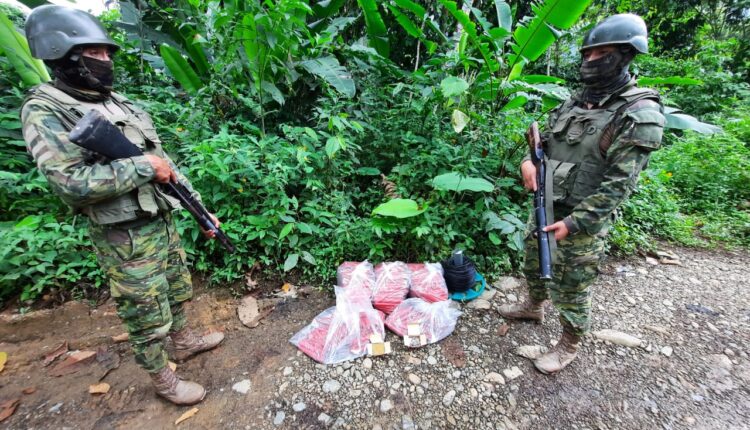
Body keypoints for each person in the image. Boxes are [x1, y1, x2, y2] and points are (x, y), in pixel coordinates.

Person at [21, 5, 224, 405]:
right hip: (123, 233)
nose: (106, 60)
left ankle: (183, 341)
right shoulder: (46, 108)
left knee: (176, 286)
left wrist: (199, 209)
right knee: (143, 308)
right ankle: (162, 378)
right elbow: (70, 183)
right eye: (95, 53)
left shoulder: (117, 103)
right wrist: (141, 167)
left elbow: (165, 165)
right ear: (65, 56)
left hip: (160, 219)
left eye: (107, 53)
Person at [499, 14, 665, 374]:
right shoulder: (575, 102)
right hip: (546, 202)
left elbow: (620, 185)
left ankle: (570, 342)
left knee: (572, 285)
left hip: (582, 216)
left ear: (624, 55)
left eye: (600, 54)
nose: (590, 62)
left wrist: (576, 223)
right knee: (533, 262)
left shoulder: (639, 112)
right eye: (587, 55)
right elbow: (544, 144)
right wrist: (529, 165)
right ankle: (533, 306)